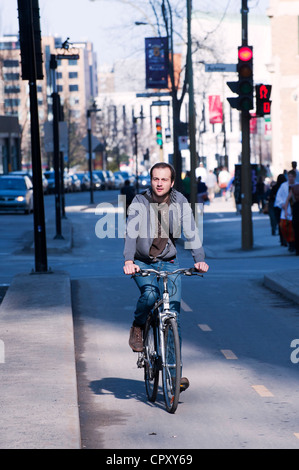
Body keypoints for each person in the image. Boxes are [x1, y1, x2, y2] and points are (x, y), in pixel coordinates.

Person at [123, 162, 209, 392]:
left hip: (169, 261)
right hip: (142, 262)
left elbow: (191, 230)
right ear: (150, 181)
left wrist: (198, 259)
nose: (159, 183)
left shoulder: (179, 201)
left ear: (172, 182)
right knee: (150, 295)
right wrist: (129, 261)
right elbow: (131, 233)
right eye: (155, 179)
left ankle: (174, 372)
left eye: (164, 179)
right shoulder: (139, 202)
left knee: (174, 316)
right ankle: (139, 325)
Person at [274, 170, 296, 251]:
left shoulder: (297, 185)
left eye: (291, 177)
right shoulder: (283, 186)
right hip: (286, 210)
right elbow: (279, 197)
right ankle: (290, 242)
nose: (290, 178)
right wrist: (281, 204)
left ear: (294, 177)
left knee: (294, 229)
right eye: (289, 176)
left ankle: (293, 244)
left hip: (295, 210)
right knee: (284, 227)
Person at [283, 183, 299, 255]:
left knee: (296, 232)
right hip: (296, 213)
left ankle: (297, 249)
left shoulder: (293, 189)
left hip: (295, 212)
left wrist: (286, 211)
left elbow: (287, 200)